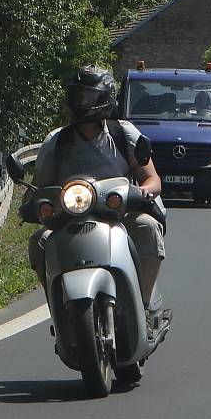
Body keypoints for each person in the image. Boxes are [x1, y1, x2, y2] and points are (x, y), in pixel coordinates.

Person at [28, 65, 165, 334]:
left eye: (89, 97)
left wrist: (143, 192)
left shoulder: (123, 133)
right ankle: (60, 314)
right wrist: (33, 203)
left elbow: (152, 178)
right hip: (71, 217)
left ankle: (145, 308)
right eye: (79, 96)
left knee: (148, 227)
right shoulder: (56, 141)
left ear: (105, 98)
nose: (83, 103)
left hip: (120, 213)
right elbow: (38, 188)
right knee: (40, 242)